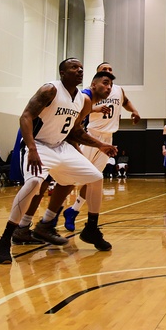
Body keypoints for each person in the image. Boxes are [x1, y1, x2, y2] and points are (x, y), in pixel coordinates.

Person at [0, 59, 118, 265]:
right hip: (38, 144)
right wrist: (32, 148)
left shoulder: (79, 99)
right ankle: (6, 238)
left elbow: (75, 131)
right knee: (34, 183)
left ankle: (90, 228)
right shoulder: (50, 89)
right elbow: (25, 116)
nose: (79, 70)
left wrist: (100, 146)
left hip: (60, 146)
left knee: (95, 177)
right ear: (62, 72)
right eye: (74, 67)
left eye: (81, 68)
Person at [61, 62, 141, 232]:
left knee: (94, 178)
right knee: (75, 176)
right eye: (104, 70)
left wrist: (134, 111)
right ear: (96, 76)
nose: (108, 71)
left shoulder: (118, 90)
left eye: (110, 69)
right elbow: (80, 110)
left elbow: (126, 101)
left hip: (108, 137)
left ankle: (73, 211)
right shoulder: (90, 93)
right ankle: (54, 212)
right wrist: (96, 109)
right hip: (91, 135)